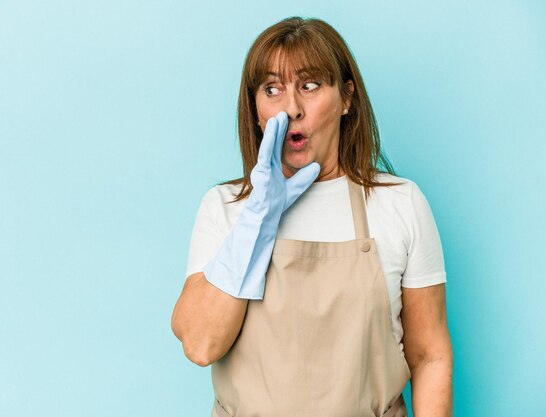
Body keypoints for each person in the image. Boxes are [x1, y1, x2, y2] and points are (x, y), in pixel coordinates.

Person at [171, 16, 453, 417]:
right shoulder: (226, 208)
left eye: (310, 85)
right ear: (254, 110)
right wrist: (259, 218)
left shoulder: (400, 204)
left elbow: (430, 357)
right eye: (272, 89)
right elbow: (200, 344)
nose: (292, 108)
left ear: (346, 98)